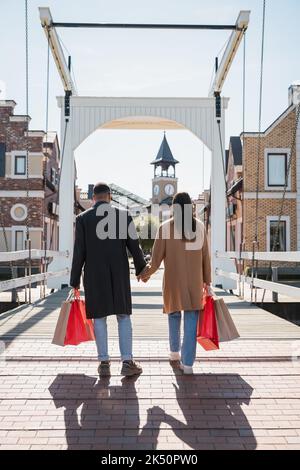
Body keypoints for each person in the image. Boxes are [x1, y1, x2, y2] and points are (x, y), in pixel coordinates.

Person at [70, 182, 147, 377]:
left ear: (93, 198)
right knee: (123, 316)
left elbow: (79, 252)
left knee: (99, 318)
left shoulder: (82, 219)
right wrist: (141, 270)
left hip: (94, 275)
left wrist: (74, 282)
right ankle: (127, 362)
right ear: (110, 197)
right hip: (119, 274)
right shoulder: (123, 215)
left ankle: (104, 362)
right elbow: (134, 246)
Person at [139, 192, 213, 375]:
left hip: (173, 282)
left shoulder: (165, 228)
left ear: (174, 207)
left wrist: (144, 274)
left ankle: (174, 353)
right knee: (190, 319)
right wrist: (207, 281)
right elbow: (206, 257)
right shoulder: (200, 228)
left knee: (173, 316)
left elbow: (155, 260)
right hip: (194, 283)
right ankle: (187, 364)